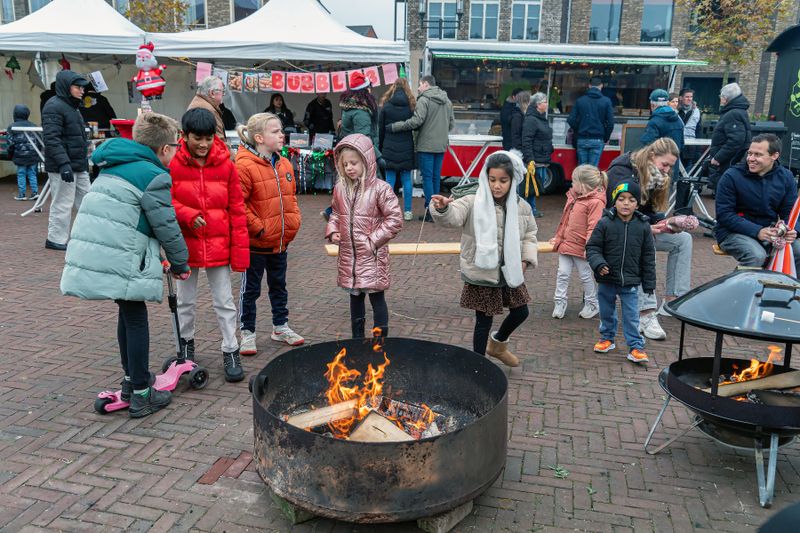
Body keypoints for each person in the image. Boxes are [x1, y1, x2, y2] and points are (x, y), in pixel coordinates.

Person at [60, 112, 191, 418]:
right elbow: (165, 223)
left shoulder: (114, 165)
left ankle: (132, 382)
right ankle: (143, 395)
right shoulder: (151, 173)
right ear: (165, 149)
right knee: (135, 318)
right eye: (176, 147)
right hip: (120, 252)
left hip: (100, 248)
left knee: (127, 311)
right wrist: (181, 263)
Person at [430, 151, 538, 367]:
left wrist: (525, 260)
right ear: (485, 177)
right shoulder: (472, 200)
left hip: (511, 270)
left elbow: (530, 235)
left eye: (503, 181)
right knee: (483, 321)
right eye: (492, 180)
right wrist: (442, 208)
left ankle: (497, 344)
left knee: (521, 312)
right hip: (482, 271)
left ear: (513, 180)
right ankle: (478, 366)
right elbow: (454, 216)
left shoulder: (522, 206)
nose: (497, 185)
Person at [169, 108, 249, 383]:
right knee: (184, 301)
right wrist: (188, 215)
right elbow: (164, 201)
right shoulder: (173, 164)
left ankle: (231, 349)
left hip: (219, 245)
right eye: (197, 138)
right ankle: (186, 346)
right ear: (185, 136)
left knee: (224, 302)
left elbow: (237, 208)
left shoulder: (226, 164)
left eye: (208, 138)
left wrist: (239, 251)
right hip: (185, 244)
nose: (203, 144)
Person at [606, 138, 690, 341]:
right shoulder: (621, 170)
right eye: (665, 164)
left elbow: (650, 212)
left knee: (684, 239)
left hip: (639, 228)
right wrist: (646, 227)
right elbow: (615, 212)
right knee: (646, 240)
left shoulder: (656, 176)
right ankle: (645, 313)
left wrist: (667, 223)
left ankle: (673, 301)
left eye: (670, 166)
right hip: (614, 232)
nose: (668, 170)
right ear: (652, 156)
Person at [236, 113, 304, 353]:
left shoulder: (284, 163)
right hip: (256, 244)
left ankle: (280, 326)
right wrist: (259, 227)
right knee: (250, 290)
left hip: (280, 242)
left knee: (279, 286)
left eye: (280, 130)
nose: (281, 135)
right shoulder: (244, 165)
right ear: (259, 137)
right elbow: (237, 204)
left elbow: (291, 197)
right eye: (275, 131)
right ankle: (247, 332)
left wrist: (294, 221)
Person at [325, 133, 402, 339]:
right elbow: (335, 213)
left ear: (366, 162)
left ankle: (380, 341)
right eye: (345, 164)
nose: (350, 168)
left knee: (377, 298)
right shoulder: (340, 188)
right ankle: (357, 340)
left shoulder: (380, 189)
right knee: (355, 298)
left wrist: (372, 241)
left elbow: (394, 219)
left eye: (354, 163)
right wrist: (333, 231)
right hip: (349, 256)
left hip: (372, 256)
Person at [586, 181, 656, 364]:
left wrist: (649, 284)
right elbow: (592, 248)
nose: (626, 203)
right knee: (607, 312)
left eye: (631, 200)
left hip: (631, 281)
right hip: (607, 279)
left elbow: (648, 257)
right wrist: (599, 264)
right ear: (614, 202)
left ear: (637, 204)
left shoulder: (643, 227)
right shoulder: (604, 223)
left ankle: (635, 347)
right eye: (621, 199)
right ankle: (607, 339)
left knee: (632, 315)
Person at [715, 134, 800, 274]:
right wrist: (757, 231)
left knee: (798, 250)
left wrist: (793, 231)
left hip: (769, 232)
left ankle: (790, 293)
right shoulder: (731, 176)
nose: (751, 159)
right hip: (732, 232)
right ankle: (736, 292)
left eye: (758, 155)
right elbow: (724, 215)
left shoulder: (786, 177)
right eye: (750, 153)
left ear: (774, 156)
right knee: (756, 255)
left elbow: (790, 213)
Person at [388, 74, 455, 222]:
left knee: (427, 178)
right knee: (436, 177)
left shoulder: (424, 100)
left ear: (426, 84)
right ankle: (437, 210)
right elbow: (451, 124)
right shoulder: (447, 100)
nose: (418, 88)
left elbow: (416, 121)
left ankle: (430, 211)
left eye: (419, 84)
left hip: (426, 144)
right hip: (441, 145)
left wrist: (397, 126)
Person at [42, 70, 92, 251]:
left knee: (88, 202)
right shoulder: (54, 106)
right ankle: (56, 239)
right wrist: (63, 164)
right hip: (63, 166)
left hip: (77, 165)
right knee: (63, 203)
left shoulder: (71, 106)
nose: (82, 90)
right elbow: (52, 138)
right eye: (78, 87)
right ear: (66, 87)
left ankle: (88, 236)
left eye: (82, 87)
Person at [550, 165, 607, 320]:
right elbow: (565, 220)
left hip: (582, 247)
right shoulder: (573, 196)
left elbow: (593, 228)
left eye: (574, 181)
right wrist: (559, 237)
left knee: (586, 275)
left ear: (582, 185)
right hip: (567, 244)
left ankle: (592, 303)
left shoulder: (596, 202)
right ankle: (559, 302)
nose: (571, 184)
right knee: (562, 273)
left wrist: (590, 248)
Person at [378, 78, 417, 221]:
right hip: (406, 147)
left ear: (393, 88)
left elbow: (381, 129)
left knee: (389, 180)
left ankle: (388, 211)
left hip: (389, 146)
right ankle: (407, 211)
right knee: (407, 180)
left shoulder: (386, 106)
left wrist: (381, 147)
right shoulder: (411, 107)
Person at [708, 82, 752, 192]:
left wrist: (718, 157)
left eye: (721, 96)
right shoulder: (739, 111)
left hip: (727, 163)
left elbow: (736, 140)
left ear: (726, 98)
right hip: (731, 161)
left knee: (724, 193)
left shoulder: (733, 114)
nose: (720, 99)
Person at [567, 76, 615, 167]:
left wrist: (579, 129)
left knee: (582, 168)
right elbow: (611, 124)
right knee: (593, 169)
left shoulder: (580, 101)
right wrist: (605, 137)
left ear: (589, 86)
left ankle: (581, 181)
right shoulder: (606, 101)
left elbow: (571, 120)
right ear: (601, 86)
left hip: (582, 138)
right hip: (597, 139)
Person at [519, 91, 552, 218]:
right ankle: (529, 209)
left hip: (542, 157)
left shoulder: (540, 118)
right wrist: (530, 159)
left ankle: (530, 208)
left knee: (538, 183)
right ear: (538, 104)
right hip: (535, 158)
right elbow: (526, 140)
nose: (547, 104)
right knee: (532, 185)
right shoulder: (532, 120)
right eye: (545, 102)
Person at [339, 72, 381, 161]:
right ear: (364, 90)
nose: (370, 90)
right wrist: (378, 157)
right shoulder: (360, 112)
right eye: (369, 87)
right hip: (362, 156)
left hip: (354, 152)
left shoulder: (349, 106)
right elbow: (364, 139)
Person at [7, 104, 40, 201]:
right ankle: (35, 192)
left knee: (21, 173)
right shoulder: (34, 126)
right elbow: (38, 141)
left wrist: (10, 155)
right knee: (32, 173)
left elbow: (10, 144)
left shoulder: (12, 127)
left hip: (20, 155)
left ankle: (22, 194)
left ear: (15, 114)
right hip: (33, 155)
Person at [640, 89, 684, 155]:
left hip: (659, 163)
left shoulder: (654, 121)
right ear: (667, 103)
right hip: (673, 162)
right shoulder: (678, 120)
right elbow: (682, 144)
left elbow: (647, 143)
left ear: (652, 105)